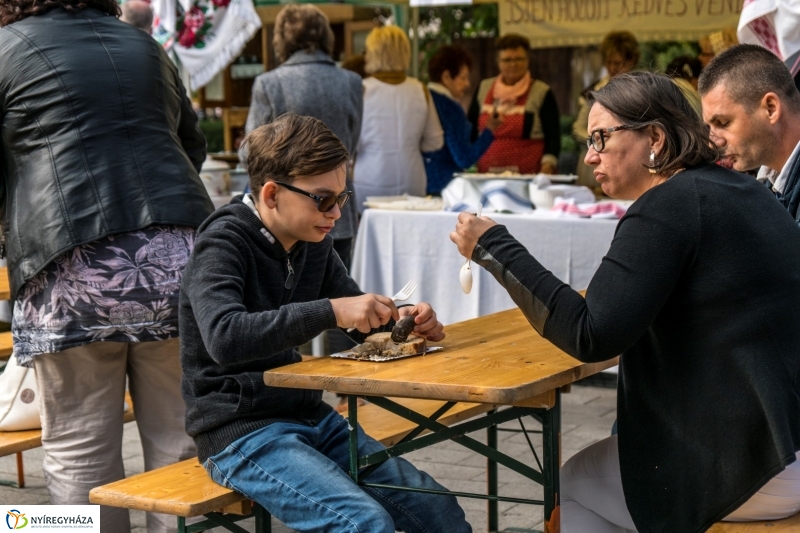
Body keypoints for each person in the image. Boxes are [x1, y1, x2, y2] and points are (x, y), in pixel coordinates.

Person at [451, 72, 800, 532]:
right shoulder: (740, 188)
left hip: (754, 463)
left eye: (601, 137)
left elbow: (590, 334)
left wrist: (494, 245)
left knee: (568, 486)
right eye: (588, 141)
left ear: (654, 137)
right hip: (783, 441)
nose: (589, 155)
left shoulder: (669, 204)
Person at [180, 114, 471, 533]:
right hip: (238, 432)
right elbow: (224, 337)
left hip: (310, 415)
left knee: (438, 509)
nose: (335, 212)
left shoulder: (312, 241)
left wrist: (404, 324)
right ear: (272, 194)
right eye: (322, 199)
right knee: (363, 524)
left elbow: (360, 323)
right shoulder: (222, 242)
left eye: (341, 197)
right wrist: (332, 310)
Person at [0, 1, 213, 532]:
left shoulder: (5, 49)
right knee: (181, 439)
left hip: (69, 271)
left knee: (78, 446)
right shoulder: (146, 46)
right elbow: (191, 145)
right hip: (179, 262)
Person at [243, 4, 361, 272]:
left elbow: (251, 153)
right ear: (326, 37)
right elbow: (350, 145)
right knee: (340, 291)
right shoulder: (351, 81)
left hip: (286, 213)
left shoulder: (270, 83)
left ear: (282, 40)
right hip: (337, 206)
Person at [699, 43, 800, 223]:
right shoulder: (771, 185)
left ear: (771, 109)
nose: (713, 143)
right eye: (709, 127)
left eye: (723, 123)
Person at [353, 25, 443, 208]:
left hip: (369, 179)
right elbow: (435, 142)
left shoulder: (361, 89)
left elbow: (350, 141)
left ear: (374, 53)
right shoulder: (420, 89)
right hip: (412, 180)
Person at [468, 34, 560, 175]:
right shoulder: (483, 88)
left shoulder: (541, 91)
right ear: (498, 61)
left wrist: (547, 166)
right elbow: (471, 129)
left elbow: (553, 137)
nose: (513, 64)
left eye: (519, 59)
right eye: (507, 60)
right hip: (486, 176)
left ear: (528, 60)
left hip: (530, 176)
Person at [423, 45, 502, 195]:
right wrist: (489, 131)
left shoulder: (421, 98)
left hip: (419, 183)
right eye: (463, 78)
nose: (467, 84)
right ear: (446, 77)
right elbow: (464, 158)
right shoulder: (450, 108)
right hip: (447, 187)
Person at [572, 31, 639, 188]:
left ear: (632, 61)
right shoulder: (593, 91)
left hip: (630, 162)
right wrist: (599, 140)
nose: (612, 68)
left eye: (618, 63)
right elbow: (577, 128)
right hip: (596, 164)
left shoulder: (642, 90)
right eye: (609, 62)